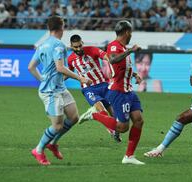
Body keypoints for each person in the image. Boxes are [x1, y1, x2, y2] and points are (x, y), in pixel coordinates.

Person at [78, 20, 145, 165]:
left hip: (129, 91)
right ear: (127, 32)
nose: (131, 35)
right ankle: (94, 115)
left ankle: (129, 156)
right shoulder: (114, 46)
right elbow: (113, 60)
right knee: (122, 127)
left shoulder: (122, 47)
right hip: (119, 91)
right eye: (131, 32)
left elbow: (122, 67)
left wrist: (134, 75)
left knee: (139, 120)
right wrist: (131, 50)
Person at [28, 16, 92, 165]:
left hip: (60, 88)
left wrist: (42, 79)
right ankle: (38, 150)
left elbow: (31, 67)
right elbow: (60, 68)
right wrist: (81, 78)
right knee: (57, 125)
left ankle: (53, 143)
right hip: (51, 92)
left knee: (74, 117)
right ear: (61, 28)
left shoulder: (42, 45)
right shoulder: (59, 46)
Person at [68, 34, 121, 143]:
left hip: (103, 85)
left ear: (82, 43)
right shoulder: (71, 59)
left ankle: (114, 130)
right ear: (71, 46)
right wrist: (57, 79)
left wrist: (113, 59)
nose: (78, 49)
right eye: (75, 47)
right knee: (102, 109)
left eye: (79, 46)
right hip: (88, 89)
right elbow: (69, 72)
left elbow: (106, 56)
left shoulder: (92, 50)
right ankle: (112, 131)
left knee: (115, 114)